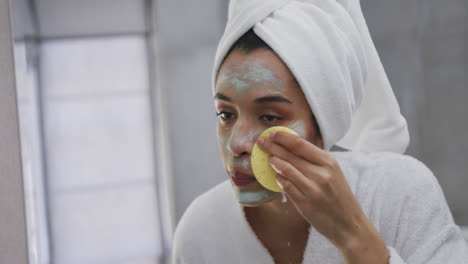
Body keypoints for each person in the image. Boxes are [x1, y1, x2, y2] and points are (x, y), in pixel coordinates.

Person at [171, 0, 468, 263]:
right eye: (226, 114)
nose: (237, 143)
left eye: (269, 116)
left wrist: (354, 240)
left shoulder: (401, 195)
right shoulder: (200, 231)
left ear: (322, 127)